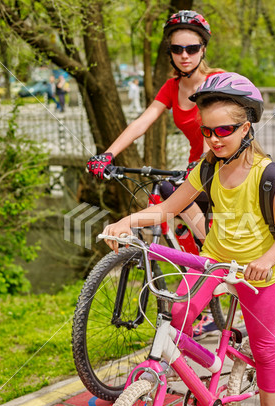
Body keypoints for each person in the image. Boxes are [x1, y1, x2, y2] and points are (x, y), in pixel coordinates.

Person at [101, 72, 275, 406]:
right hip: (214, 260)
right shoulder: (206, 168)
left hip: (258, 271)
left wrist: (265, 260)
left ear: (247, 127)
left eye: (224, 130)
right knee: (178, 316)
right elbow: (166, 210)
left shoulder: (269, 176)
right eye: (207, 131)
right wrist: (126, 221)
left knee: (263, 347)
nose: (214, 139)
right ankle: (203, 371)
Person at [87, 10, 224, 338]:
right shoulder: (172, 86)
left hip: (222, 166)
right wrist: (109, 153)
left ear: (203, 48)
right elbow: (143, 121)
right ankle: (204, 277)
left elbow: (226, 126)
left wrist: (204, 161)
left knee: (200, 229)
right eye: (177, 50)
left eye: (191, 48)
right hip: (196, 170)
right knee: (167, 196)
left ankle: (215, 275)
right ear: (171, 54)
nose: (185, 55)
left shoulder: (218, 79)